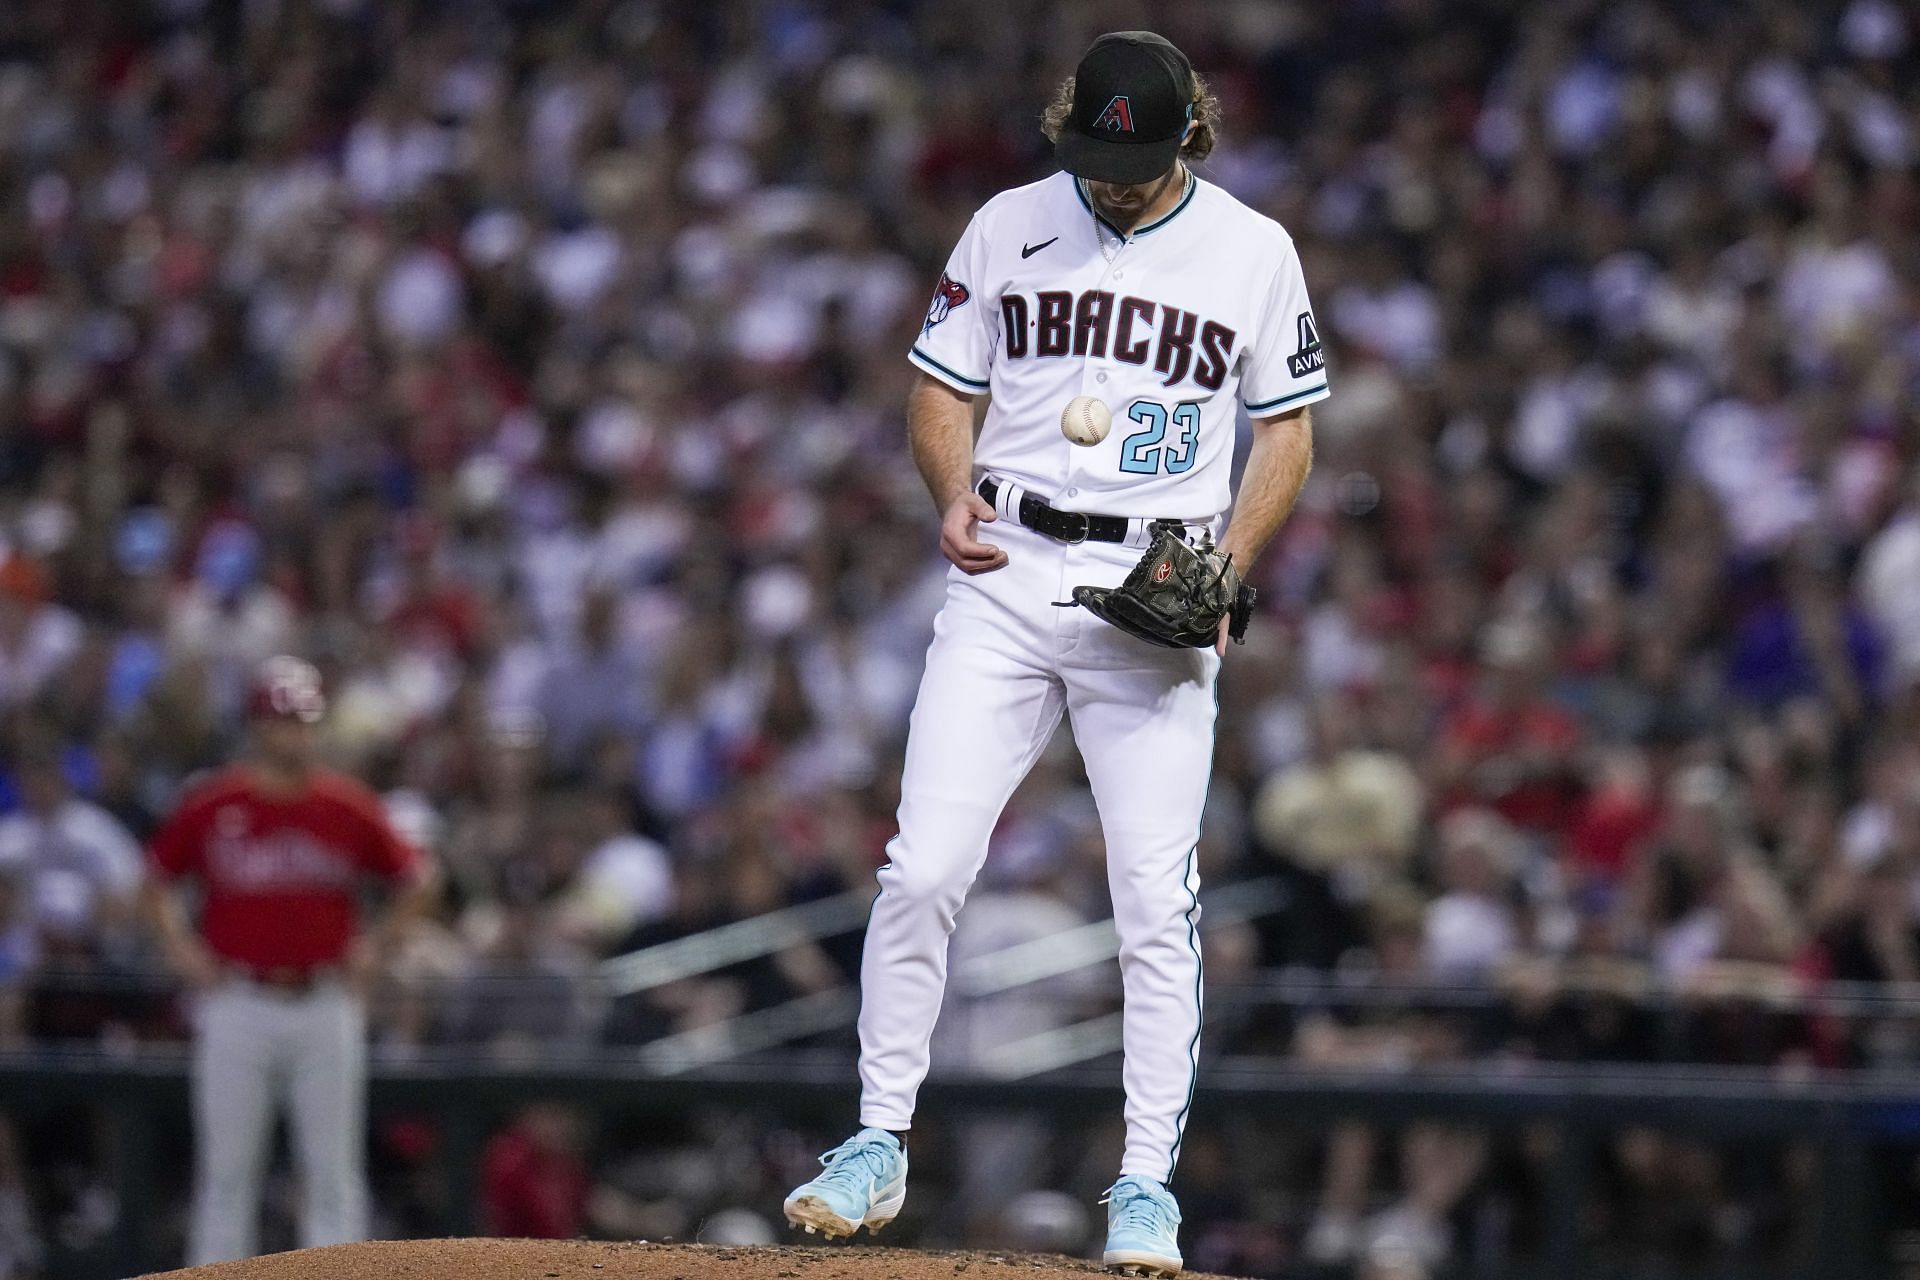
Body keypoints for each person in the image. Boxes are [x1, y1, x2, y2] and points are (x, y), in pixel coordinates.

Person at [783, 31, 1324, 1278]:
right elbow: (940, 385)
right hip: (1008, 571)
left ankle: (1144, 1184)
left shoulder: (1253, 249)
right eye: (1092, 153)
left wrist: (1229, 567)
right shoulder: (1009, 222)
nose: (1109, 181)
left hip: (1155, 586)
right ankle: (876, 1139)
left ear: (1191, 131)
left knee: (1151, 900)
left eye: (1133, 161)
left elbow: (1287, 431)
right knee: (921, 868)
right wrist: (949, 487)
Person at [143, 656, 437, 1264]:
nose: (295, 735)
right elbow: (154, 884)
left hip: (323, 999)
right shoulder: (215, 802)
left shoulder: (344, 804)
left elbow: (418, 879)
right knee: (226, 1179)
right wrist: (182, 949)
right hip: (237, 1000)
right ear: (256, 728)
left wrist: (378, 944)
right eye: (282, 722)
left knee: (332, 1176)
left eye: (304, 721)